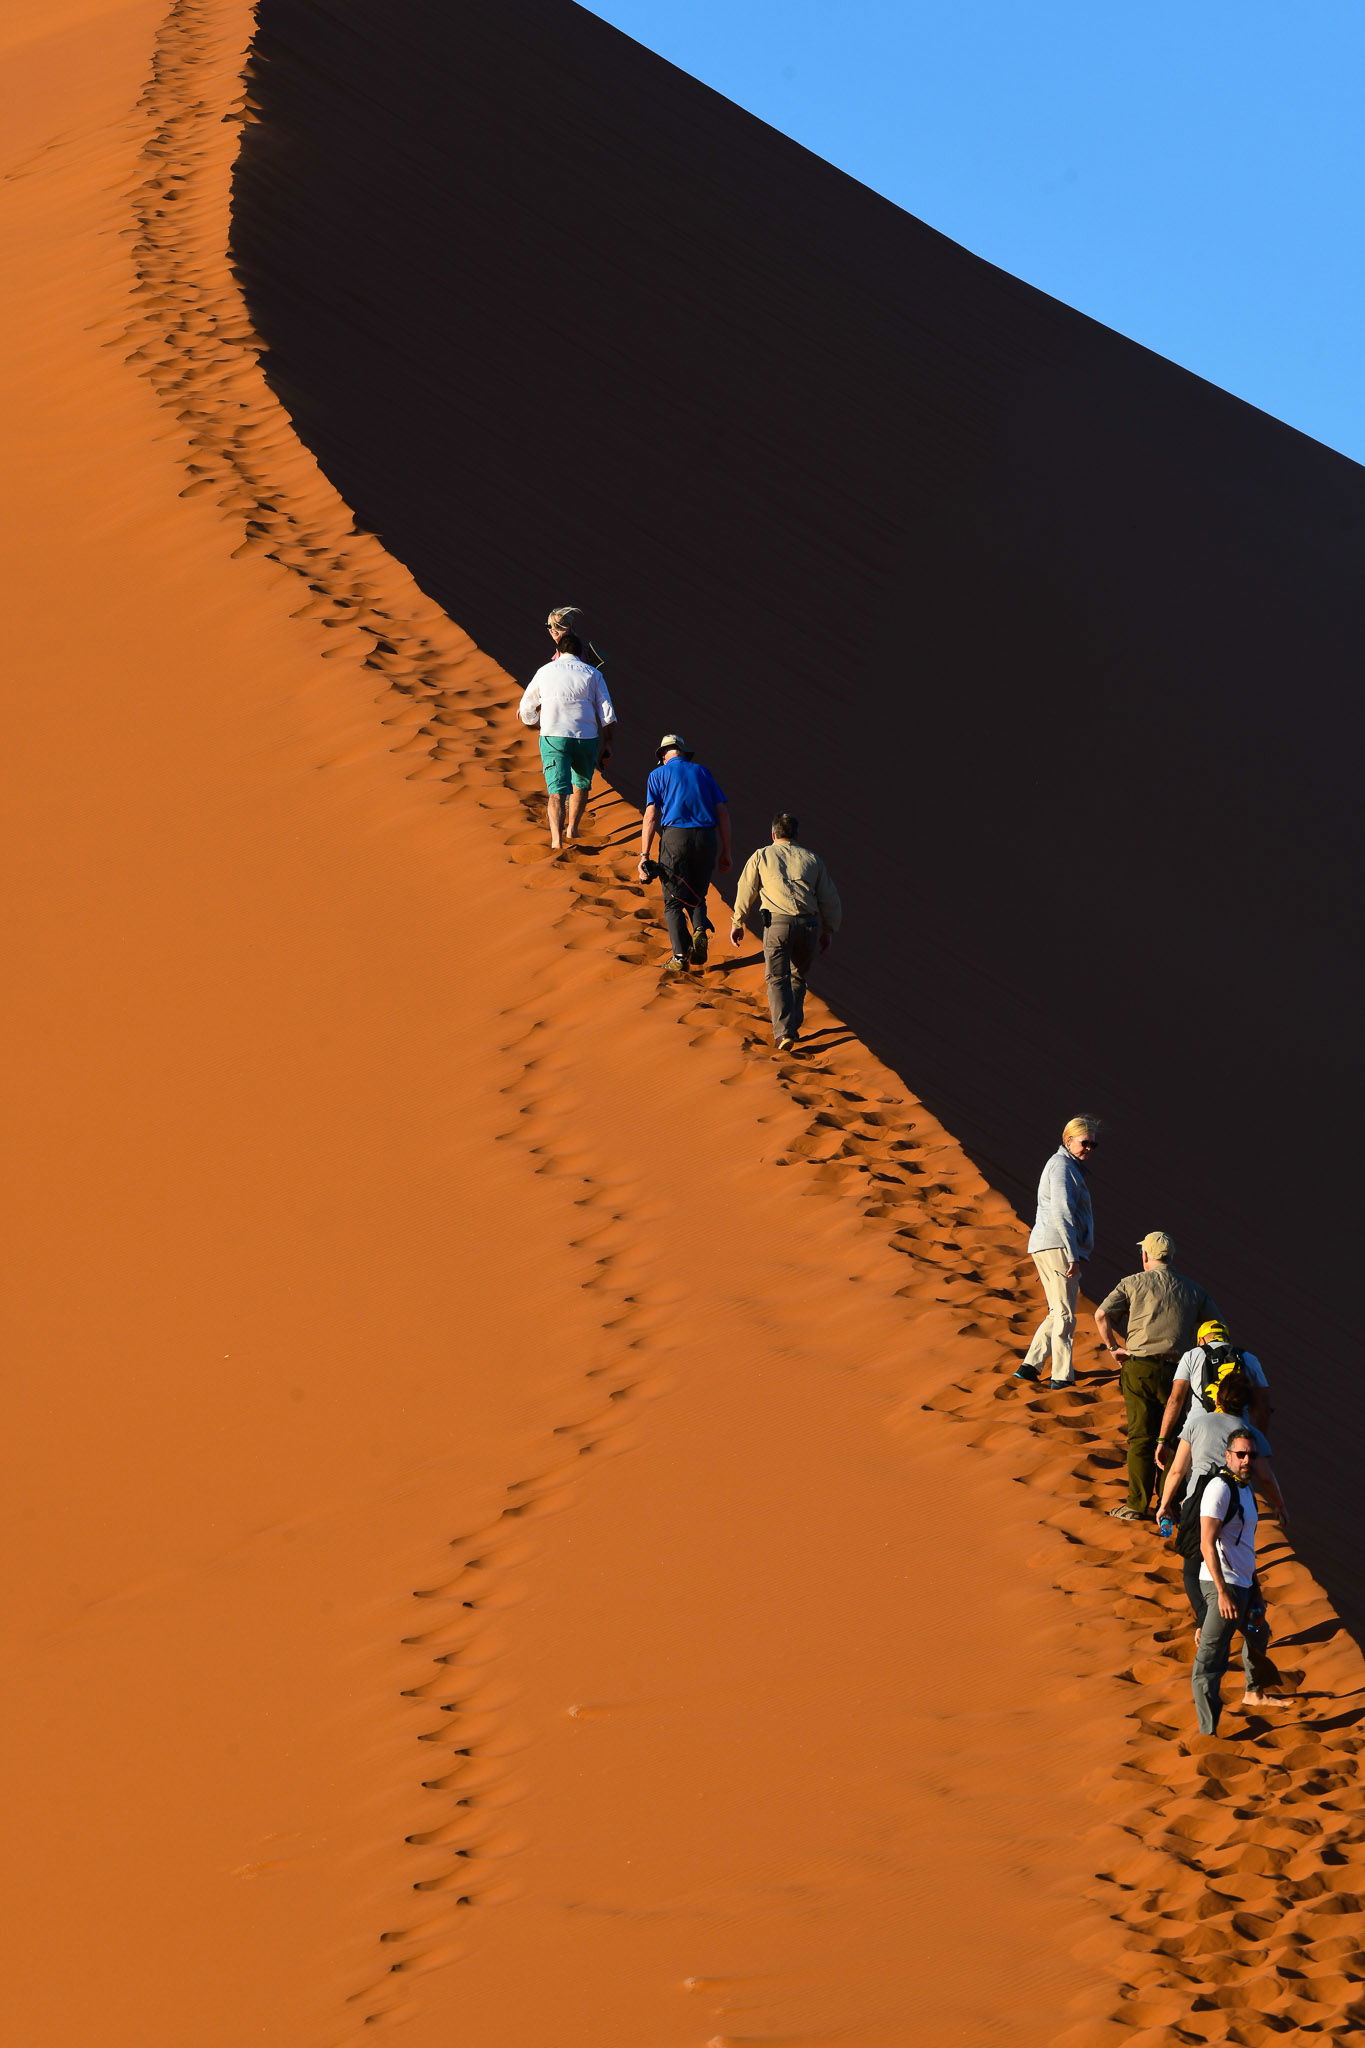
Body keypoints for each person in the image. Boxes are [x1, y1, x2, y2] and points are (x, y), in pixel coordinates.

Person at [1155, 1353, 1287, 1695]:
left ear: (1216, 1397)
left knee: (1192, 1569)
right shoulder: (1249, 1432)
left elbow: (1178, 1470)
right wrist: (1279, 1505)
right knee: (1239, 1575)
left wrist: (1165, 1503)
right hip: (1236, 1513)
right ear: (1244, 1404)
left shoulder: (1197, 1424)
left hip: (1196, 1507)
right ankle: (1249, 1670)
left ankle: (1206, 1622)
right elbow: (1265, 1476)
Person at [1095, 1232, 1221, 1522]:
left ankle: (1137, 1505)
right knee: (1174, 1437)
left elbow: (1101, 1315)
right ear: (1171, 1257)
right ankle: (1169, 1505)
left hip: (1138, 1367)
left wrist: (1114, 1348)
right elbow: (1216, 1328)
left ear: (1145, 1256)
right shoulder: (1194, 1290)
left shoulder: (1131, 1283)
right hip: (1179, 1372)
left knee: (1141, 1437)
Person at [1191, 1431, 1280, 1732]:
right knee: (1210, 1661)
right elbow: (1206, 1544)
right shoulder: (1220, 1488)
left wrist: (1254, 1586)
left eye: (1251, 1455)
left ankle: (1254, 1693)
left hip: (1244, 1583)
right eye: (1240, 1454)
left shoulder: (1246, 1490)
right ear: (1228, 1456)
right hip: (1223, 1585)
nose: (1246, 1460)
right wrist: (1221, 1594)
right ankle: (1207, 1731)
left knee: (1257, 1634)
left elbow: (1245, 1545)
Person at [729, 814, 842, 1051]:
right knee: (798, 976)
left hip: (778, 925)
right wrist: (829, 929)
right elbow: (829, 898)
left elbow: (746, 889)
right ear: (796, 835)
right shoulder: (812, 859)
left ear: (773, 834)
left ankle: (783, 1033)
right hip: (808, 925)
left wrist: (738, 922)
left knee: (776, 978)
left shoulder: (762, 855)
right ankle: (792, 1027)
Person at [1014, 1117, 1099, 1388]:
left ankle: (1030, 1367)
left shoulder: (1068, 1167)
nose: (1089, 1148)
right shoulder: (1062, 1166)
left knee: (1057, 1311)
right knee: (1065, 1315)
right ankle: (1062, 1377)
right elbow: (1062, 1212)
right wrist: (1072, 1254)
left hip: (1049, 1243)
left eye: (1093, 1144)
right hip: (1057, 1245)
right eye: (1085, 1142)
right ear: (1068, 1140)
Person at [637, 735, 732, 970]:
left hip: (675, 838)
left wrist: (644, 856)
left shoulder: (657, 775)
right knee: (697, 893)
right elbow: (722, 812)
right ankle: (699, 929)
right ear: (682, 751)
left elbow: (651, 816)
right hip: (706, 838)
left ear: (663, 755)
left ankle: (680, 957)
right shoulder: (702, 772)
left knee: (672, 902)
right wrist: (726, 851)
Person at [517, 630, 617, 849]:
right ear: (580, 652)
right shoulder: (593, 674)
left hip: (553, 736)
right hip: (586, 737)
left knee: (556, 792)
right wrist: (608, 742)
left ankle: (556, 841)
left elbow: (526, 707)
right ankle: (573, 829)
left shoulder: (544, 671)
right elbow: (607, 713)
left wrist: (535, 723)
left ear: (559, 651)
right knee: (581, 784)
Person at [1154, 1318, 1271, 1474]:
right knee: (1234, 1480)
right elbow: (1263, 1405)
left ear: (1201, 1339)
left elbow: (1175, 1400)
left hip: (1197, 1428)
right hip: (1238, 1428)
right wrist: (1257, 1441)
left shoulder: (1192, 1355)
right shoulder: (1249, 1358)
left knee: (1187, 1474)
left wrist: (1163, 1440)